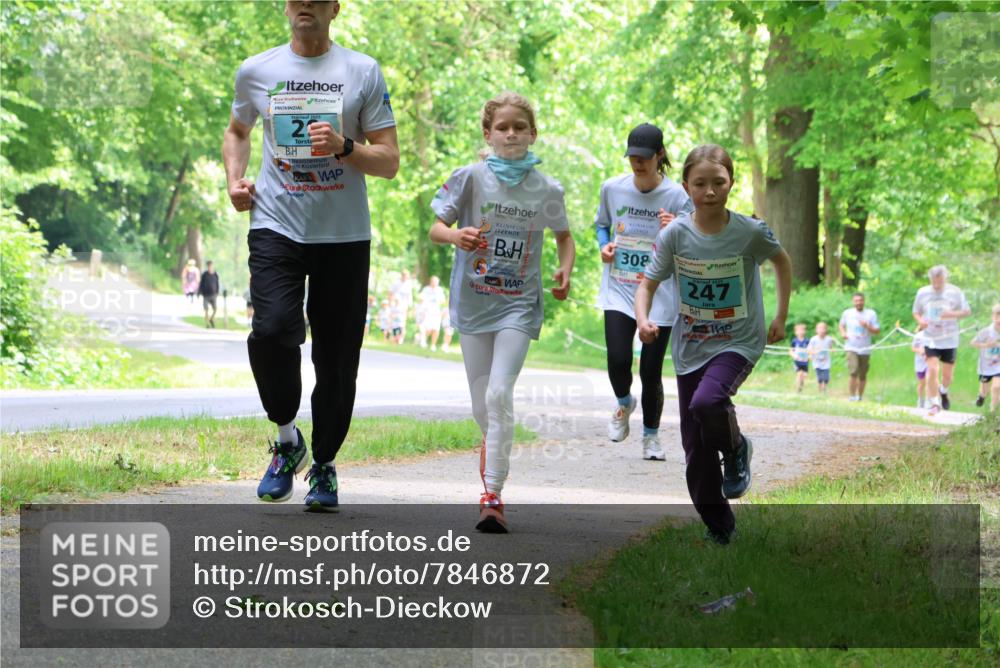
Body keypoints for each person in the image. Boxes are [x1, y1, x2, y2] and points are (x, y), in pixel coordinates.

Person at [222, 0, 399, 510]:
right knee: (273, 330)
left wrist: (344, 146)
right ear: (286, 7)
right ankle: (286, 440)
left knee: (337, 359)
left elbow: (389, 160)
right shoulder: (257, 70)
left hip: (343, 234)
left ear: (333, 8)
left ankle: (323, 463)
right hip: (276, 225)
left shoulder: (361, 71)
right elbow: (237, 131)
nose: (305, 4)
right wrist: (234, 180)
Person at [430, 91, 575, 533]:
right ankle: (492, 442)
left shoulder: (547, 189)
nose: (511, 134)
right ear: (487, 134)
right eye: (502, 127)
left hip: (518, 304)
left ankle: (492, 495)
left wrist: (564, 270)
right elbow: (436, 227)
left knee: (498, 395)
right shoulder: (470, 179)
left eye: (519, 127)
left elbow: (564, 238)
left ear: (533, 134)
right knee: (483, 406)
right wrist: (456, 237)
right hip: (474, 303)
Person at [635, 144, 792, 545]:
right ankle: (720, 528)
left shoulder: (749, 232)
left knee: (707, 402)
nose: (709, 191)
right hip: (691, 348)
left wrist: (780, 316)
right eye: (700, 183)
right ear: (686, 186)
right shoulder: (675, 234)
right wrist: (643, 319)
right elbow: (647, 284)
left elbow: (782, 261)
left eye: (718, 183)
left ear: (731, 183)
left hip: (738, 340)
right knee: (696, 447)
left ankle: (736, 448)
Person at [595, 123, 693, 461]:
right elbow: (601, 224)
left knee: (650, 371)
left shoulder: (677, 196)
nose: (637, 163)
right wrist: (604, 246)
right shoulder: (612, 188)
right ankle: (624, 403)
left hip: (659, 293)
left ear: (659, 155)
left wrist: (675, 226)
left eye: (644, 157)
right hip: (619, 287)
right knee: (618, 359)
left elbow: (693, 240)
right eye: (632, 157)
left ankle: (651, 437)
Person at [912, 265, 971, 415]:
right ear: (930, 279)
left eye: (940, 282)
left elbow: (966, 311)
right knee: (932, 369)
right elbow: (916, 312)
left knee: (947, 376)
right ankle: (934, 403)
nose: (937, 285)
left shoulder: (955, 292)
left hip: (949, 338)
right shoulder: (922, 292)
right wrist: (921, 321)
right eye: (934, 282)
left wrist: (950, 314)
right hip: (930, 337)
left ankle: (943, 391)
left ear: (945, 279)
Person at [838, 292, 880, 401]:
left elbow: (877, 331)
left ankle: (860, 396)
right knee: (853, 371)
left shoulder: (871, 314)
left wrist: (867, 326)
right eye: (856, 301)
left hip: (865, 348)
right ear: (853, 302)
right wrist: (843, 333)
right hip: (851, 347)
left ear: (864, 301)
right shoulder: (847, 313)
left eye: (860, 300)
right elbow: (841, 325)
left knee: (863, 374)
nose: (858, 303)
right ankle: (852, 396)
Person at [970, 304, 1000, 412]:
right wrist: (986, 345)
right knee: (985, 391)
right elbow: (973, 343)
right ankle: (982, 396)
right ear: (993, 317)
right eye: (997, 316)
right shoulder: (986, 332)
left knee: (997, 387)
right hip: (986, 367)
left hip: (998, 366)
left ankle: (993, 412)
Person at [419, 276, 446, 351]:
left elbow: (443, 301)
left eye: (436, 282)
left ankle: (433, 345)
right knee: (426, 328)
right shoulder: (426, 289)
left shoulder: (440, 290)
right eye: (433, 281)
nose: (434, 283)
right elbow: (421, 299)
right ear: (431, 282)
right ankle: (422, 340)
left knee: (436, 329)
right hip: (427, 311)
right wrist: (422, 309)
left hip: (436, 312)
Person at [808, 322, 833, 394]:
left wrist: (831, 349)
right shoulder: (813, 339)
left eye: (823, 328)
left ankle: (824, 389)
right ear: (816, 330)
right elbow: (809, 350)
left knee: (826, 378)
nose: (821, 330)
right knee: (820, 378)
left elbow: (830, 347)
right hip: (817, 362)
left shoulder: (829, 339)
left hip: (826, 362)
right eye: (819, 328)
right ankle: (820, 390)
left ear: (826, 330)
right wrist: (812, 354)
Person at [912, 329, 931, 409]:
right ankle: (920, 399)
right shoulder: (918, 336)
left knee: (928, 381)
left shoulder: (934, 335)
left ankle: (928, 401)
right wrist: (920, 351)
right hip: (920, 363)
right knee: (921, 383)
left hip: (929, 361)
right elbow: (913, 348)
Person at [198, 260, 220, 328]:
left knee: (215, 309)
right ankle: (207, 324)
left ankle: (211, 319)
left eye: (211, 265)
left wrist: (217, 292)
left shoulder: (215, 274)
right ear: (207, 266)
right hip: (206, 295)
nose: (210, 267)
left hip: (213, 295)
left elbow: (217, 284)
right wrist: (199, 292)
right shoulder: (204, 275)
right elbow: (201, 284)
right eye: (209, 266)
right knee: (206, 309)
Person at [789, 323, 810, 393]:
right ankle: (798, 388)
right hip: (797, 362)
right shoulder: (794, 341)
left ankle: (801, 387)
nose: (800, 332)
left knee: (804, 375)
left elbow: (810, 350)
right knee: (799, 374)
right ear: (796, 332)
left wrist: (809, 356)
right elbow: (790, 351)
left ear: (805, 331)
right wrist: (794, 356)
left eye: (802, 330)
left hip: (805, 361)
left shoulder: (807, 341)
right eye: (798, 331)